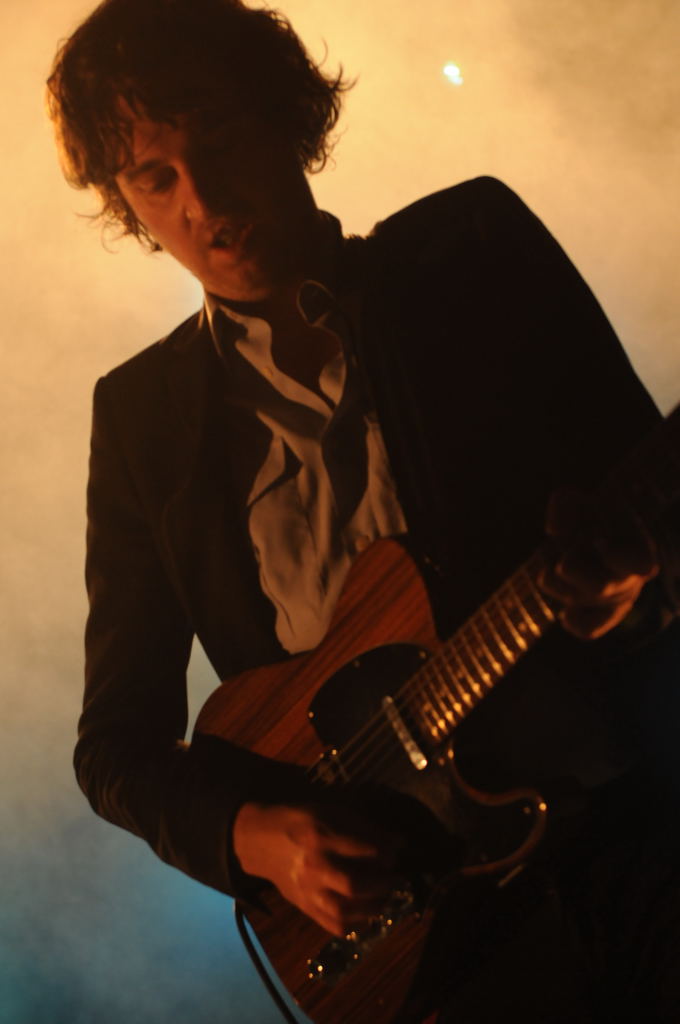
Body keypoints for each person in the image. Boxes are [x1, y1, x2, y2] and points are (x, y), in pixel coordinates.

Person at [48, 0, 680, 1020]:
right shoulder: (139, 420)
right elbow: (115, 748)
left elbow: (652, 485)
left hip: (635, 827)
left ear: (283, 114)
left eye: (218, 138)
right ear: (125, 203)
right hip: (431, 944)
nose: (203, 199)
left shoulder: (469, 249)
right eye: (155, 178)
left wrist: (636, 578)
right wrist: (256, 835)